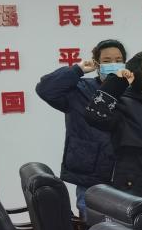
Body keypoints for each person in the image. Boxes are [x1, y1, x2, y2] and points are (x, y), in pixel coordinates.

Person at [35, 39, 127, 215]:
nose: (113, 64)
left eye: (118, 60)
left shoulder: (130, 91)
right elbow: (45, 89)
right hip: (90, 177)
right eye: (107, 61)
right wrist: (77, 70)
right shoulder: (81, 89)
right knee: (94, 226)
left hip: (126, 176)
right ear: (97, 64)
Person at [84, 49, 142, 216]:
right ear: (139, 76)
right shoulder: (124, 103)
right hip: (136, 185)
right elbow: (94, 115)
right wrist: (116, 83)